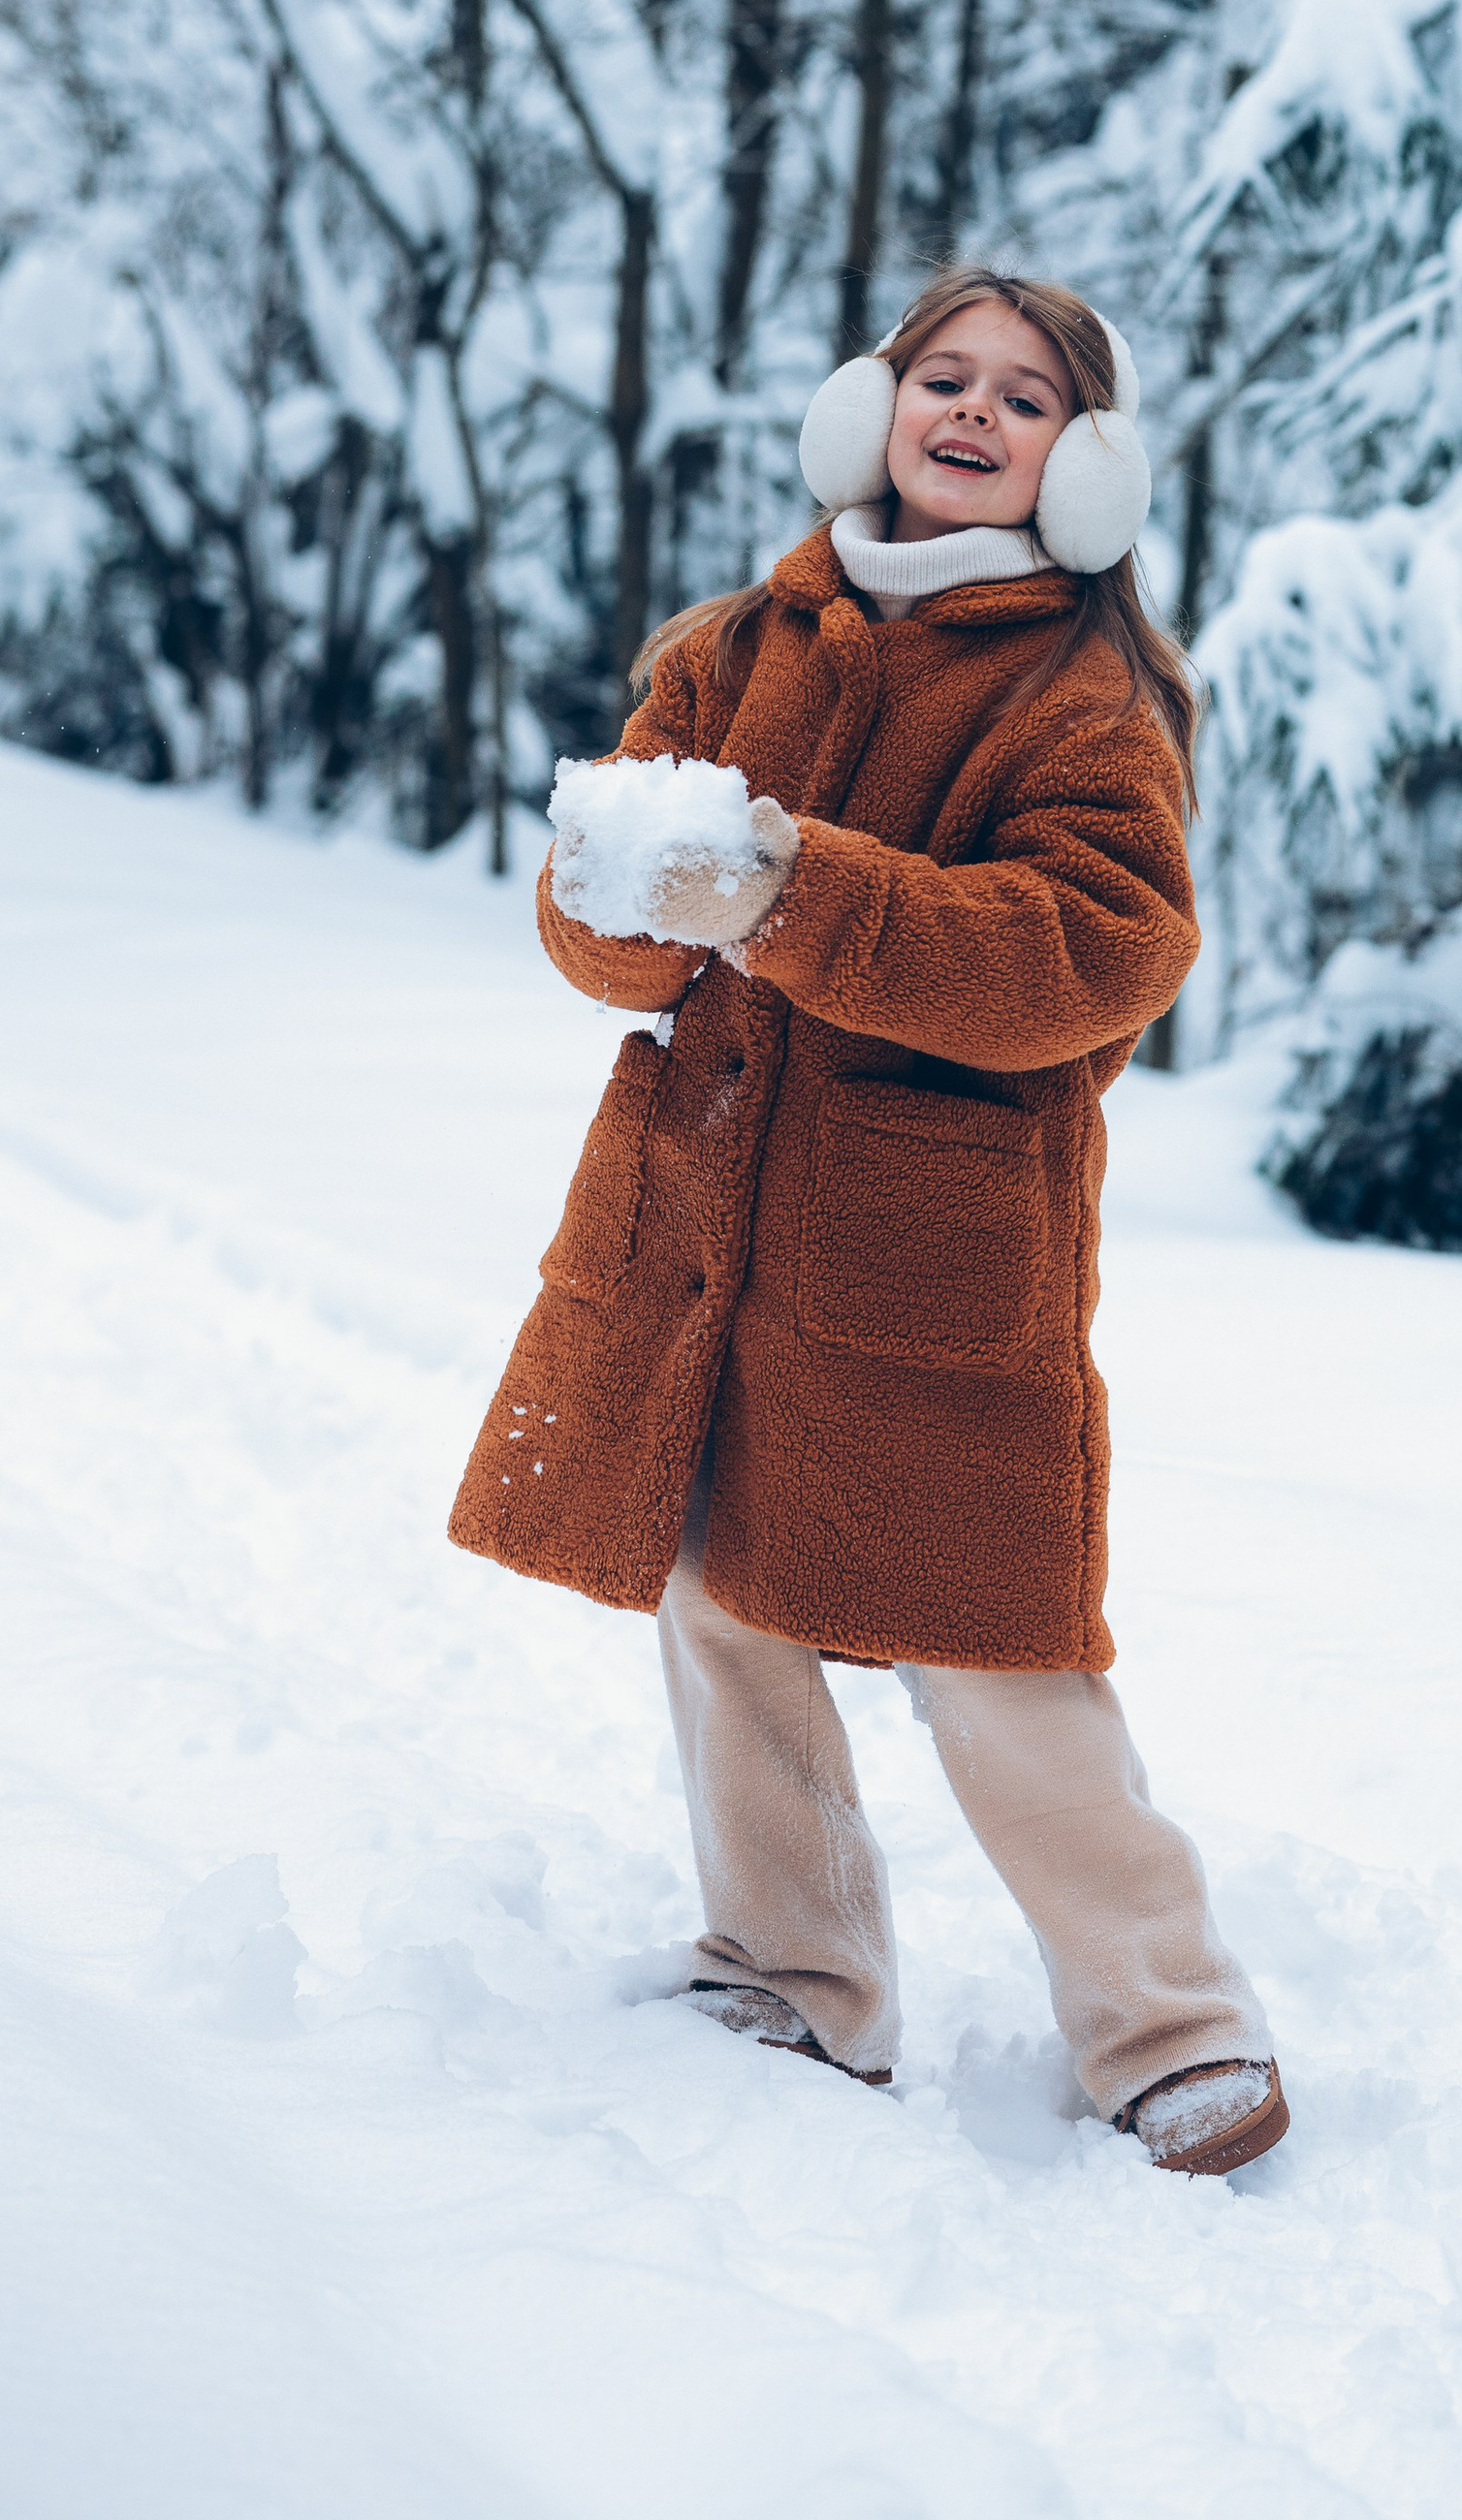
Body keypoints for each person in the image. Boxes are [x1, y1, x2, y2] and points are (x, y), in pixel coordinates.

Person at [450, 267, 1285, 2176]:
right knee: (722, 1594)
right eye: (940, 378)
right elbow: (596, 925)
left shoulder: (1081, 693)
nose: (970, 413)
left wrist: (787, 887)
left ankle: (1164, 2014)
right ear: (869, 407)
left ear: (1085, 463)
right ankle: (790, 1971)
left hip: (925, 1255)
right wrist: (627, 895)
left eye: (1024, 397)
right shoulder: (748, 639)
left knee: (993, 1650)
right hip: (695, 1225)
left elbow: (1090, 956)